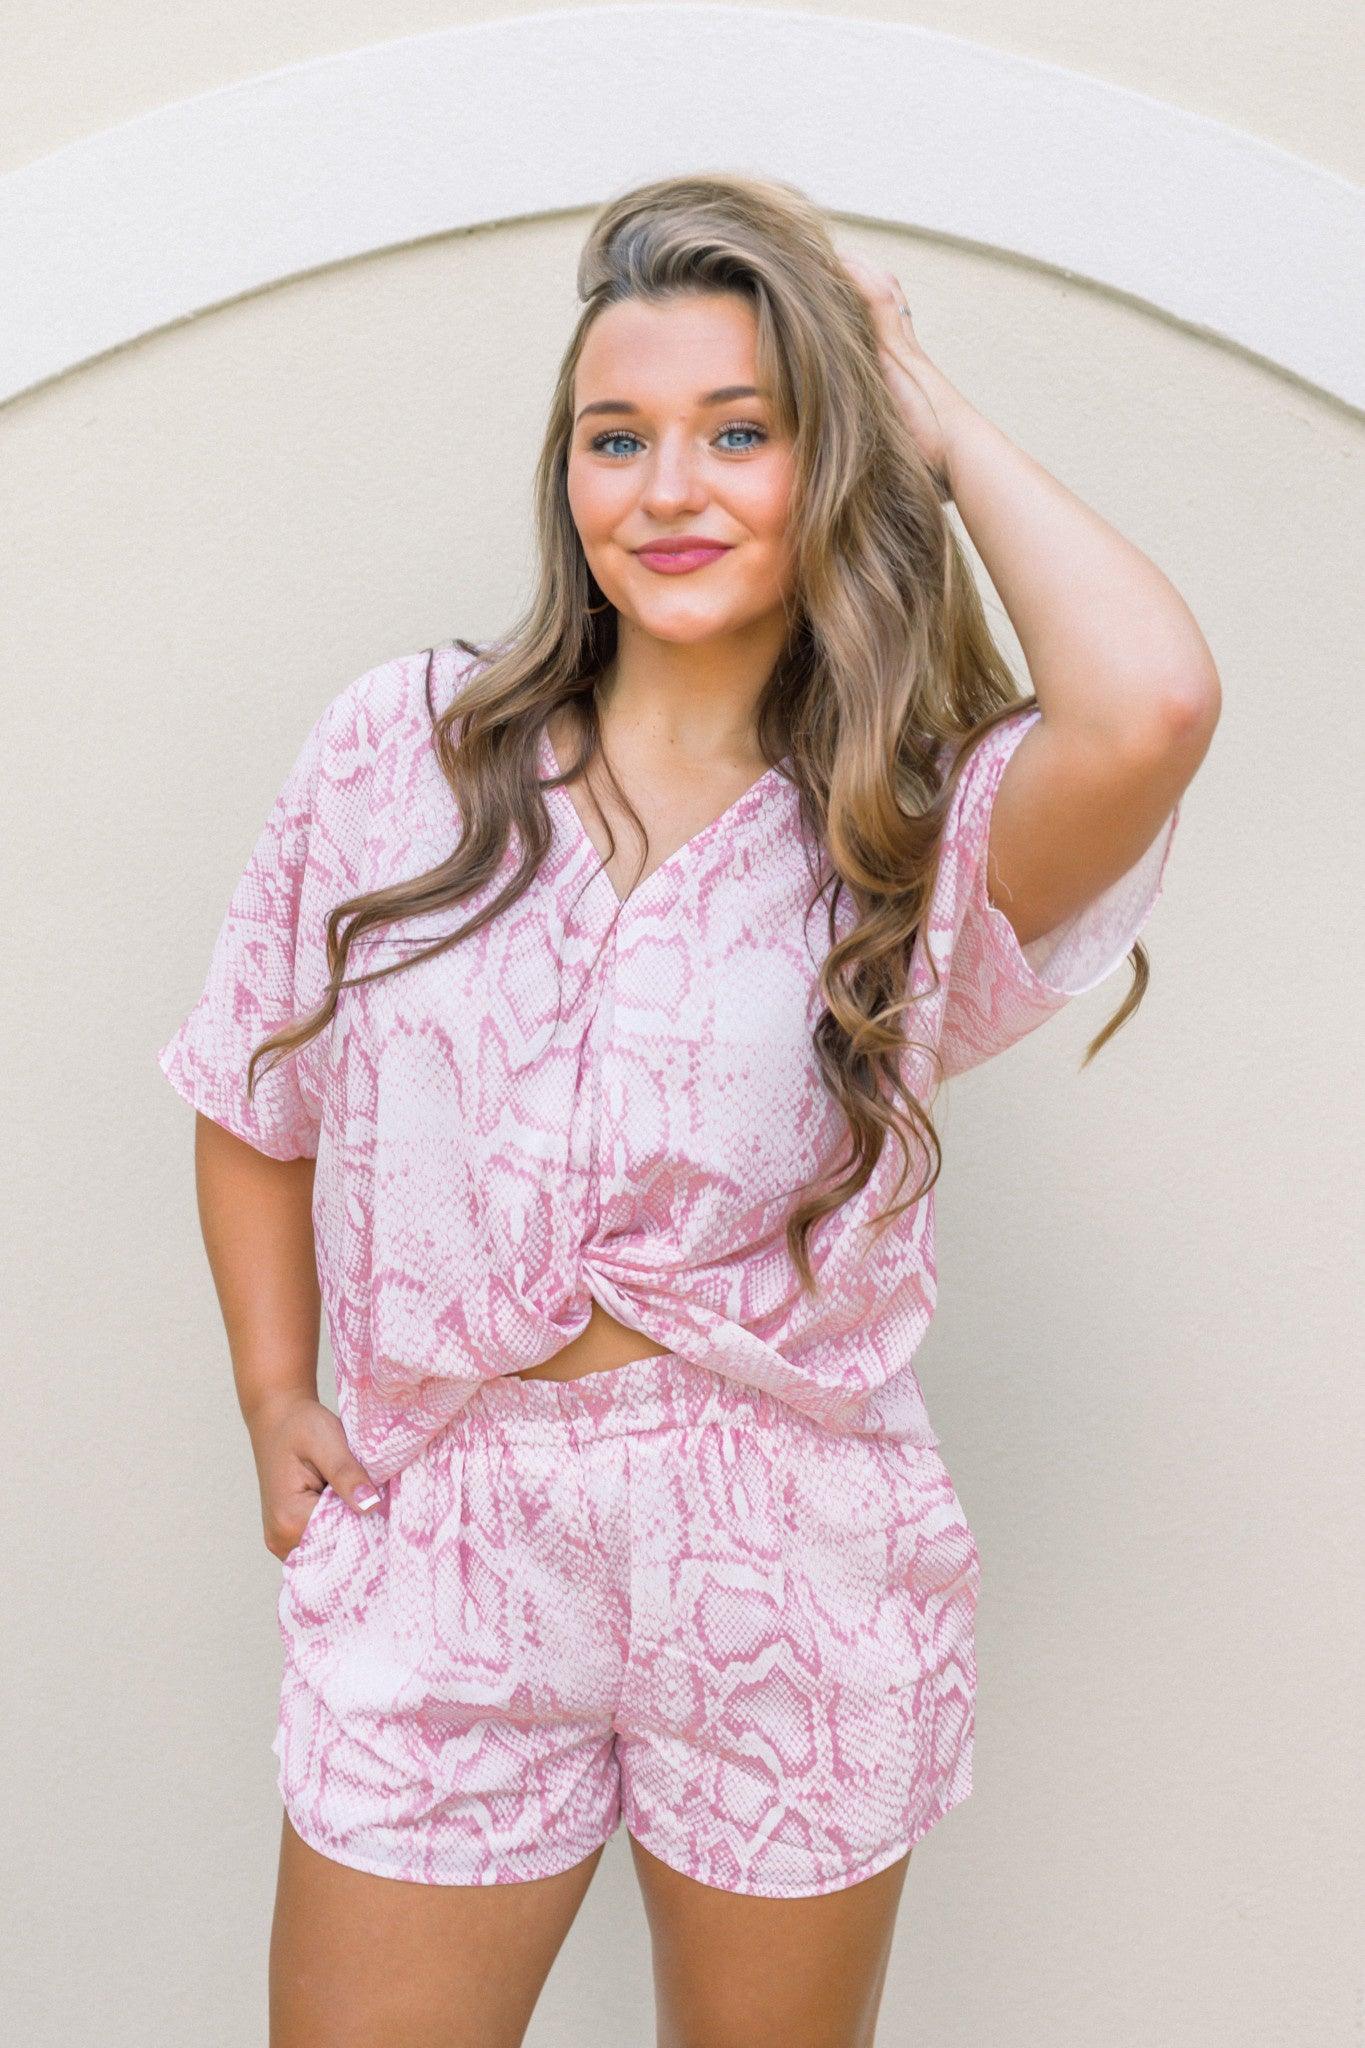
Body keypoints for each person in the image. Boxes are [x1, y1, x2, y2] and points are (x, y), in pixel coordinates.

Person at [156, 171, 1218, 2048]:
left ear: (834, 465)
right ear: (564, 475)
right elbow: (252, 1083)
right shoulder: (404, 750)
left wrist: (917, 396)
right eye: (614, 437)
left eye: (742, 432)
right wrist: (270, 1392)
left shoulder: (907, 828)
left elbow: (1149, 704)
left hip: (784, 1545)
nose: (666, 488)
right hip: (450, 1526)